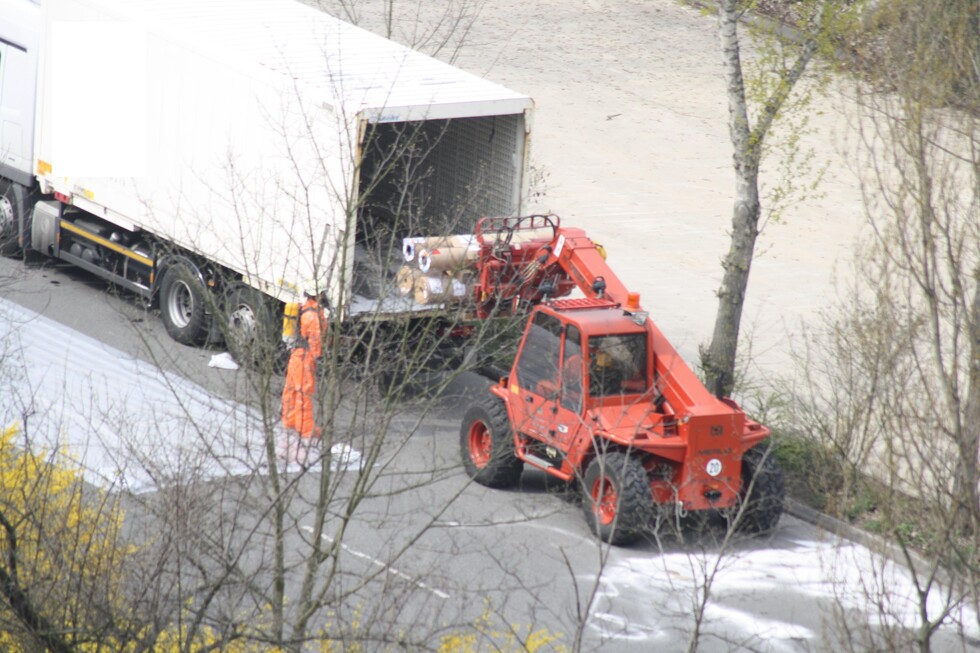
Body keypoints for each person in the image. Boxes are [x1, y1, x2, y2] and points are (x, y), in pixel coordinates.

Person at [281, 286, 328, 458]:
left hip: (295, 356)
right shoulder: (314, 315)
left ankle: (289, 421)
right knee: (303, 394)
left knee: (291, 390)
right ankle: (306, 430)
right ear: (319, 294)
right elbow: (316, 340)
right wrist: (318, 358)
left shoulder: (303, 308)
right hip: (305, 358)